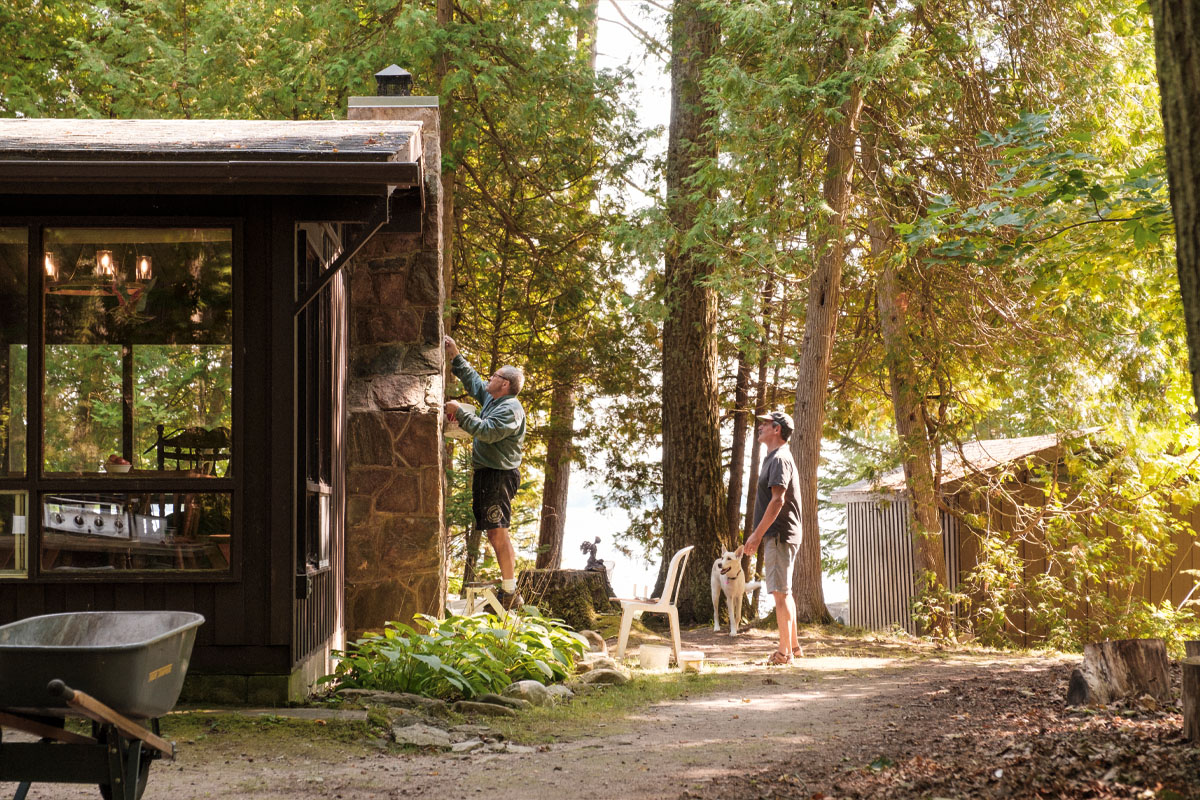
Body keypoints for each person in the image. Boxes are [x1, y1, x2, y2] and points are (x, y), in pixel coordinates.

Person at [444, 335, 527, 609]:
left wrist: (460, 412)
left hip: (498, 476)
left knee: (498, 531)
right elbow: (475, 383)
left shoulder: (511, 409)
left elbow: (488, 432)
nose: (490, 378)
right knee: (495, 531)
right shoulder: (494, 399)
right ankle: (510, 590)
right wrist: (455, 355)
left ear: (505, 384)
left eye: (495, 376)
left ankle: (510, 592)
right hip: (489, 474)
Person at [737, 410, 803, 665]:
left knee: (779, 593)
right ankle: (794, 646)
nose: (760, 426)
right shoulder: (775, 457)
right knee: (785, 592)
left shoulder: (779, 459)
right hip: (781, 534)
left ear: (777, 429)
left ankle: (784, 654)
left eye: (765, 423)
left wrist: (756, 536)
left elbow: (777, 500)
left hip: (779, 534)